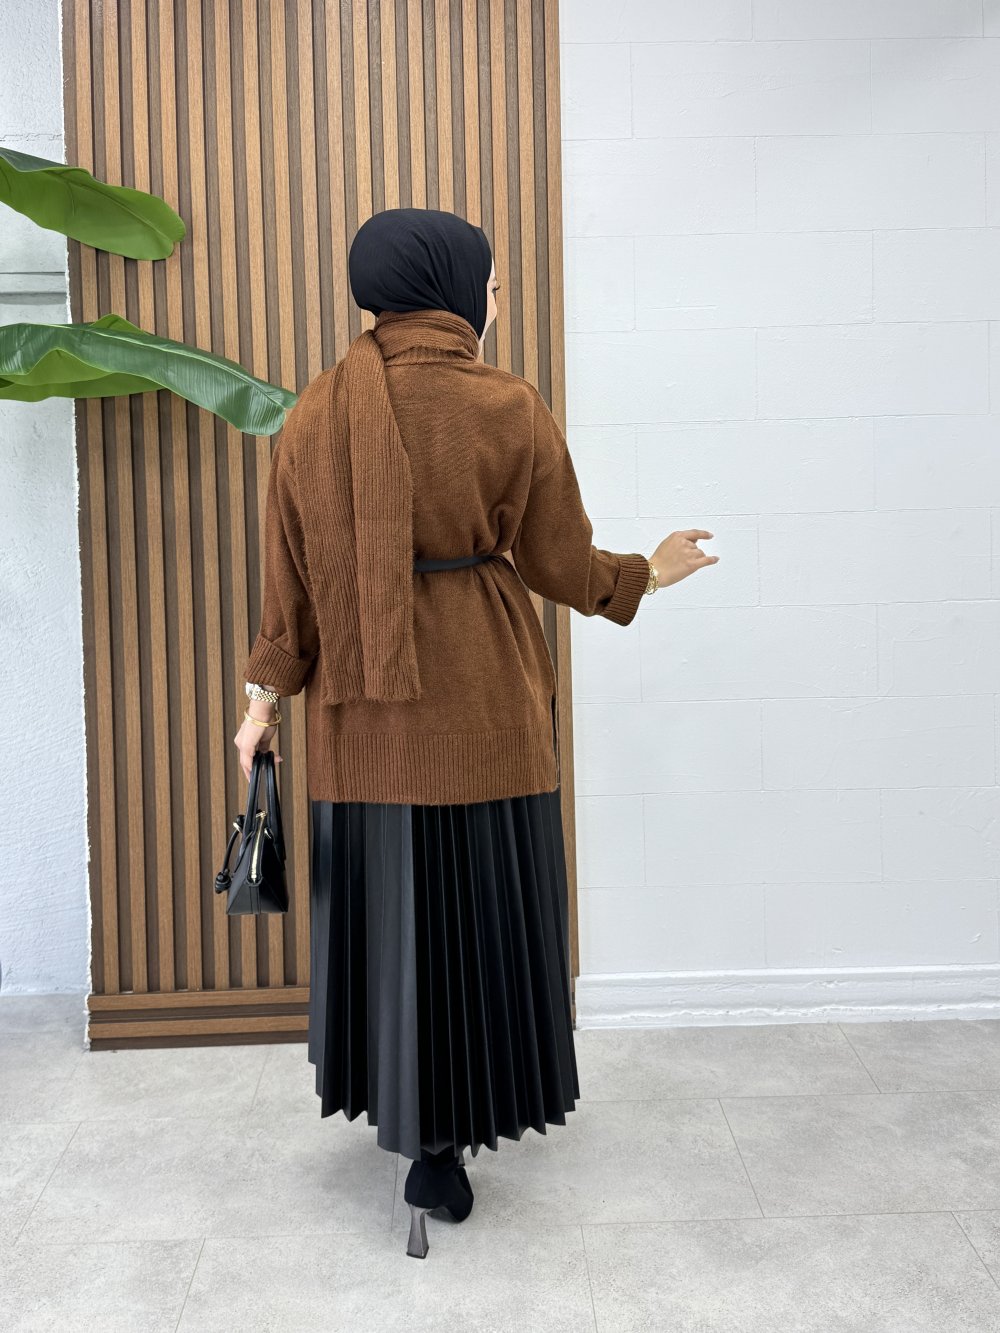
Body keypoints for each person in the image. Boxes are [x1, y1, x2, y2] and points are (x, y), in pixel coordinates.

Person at [233, 206, 718, 1259]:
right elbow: (558, 561)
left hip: (364, 726)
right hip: (486, 710)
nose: (498, 299)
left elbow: (290, 593)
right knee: (482, 919)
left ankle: (413, 1130)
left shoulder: (314, 412)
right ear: (451, 284)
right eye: (492, 282)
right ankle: (456, 1132)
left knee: (393, 925)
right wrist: (647, 572)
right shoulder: (506, 404)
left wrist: (262, 707)